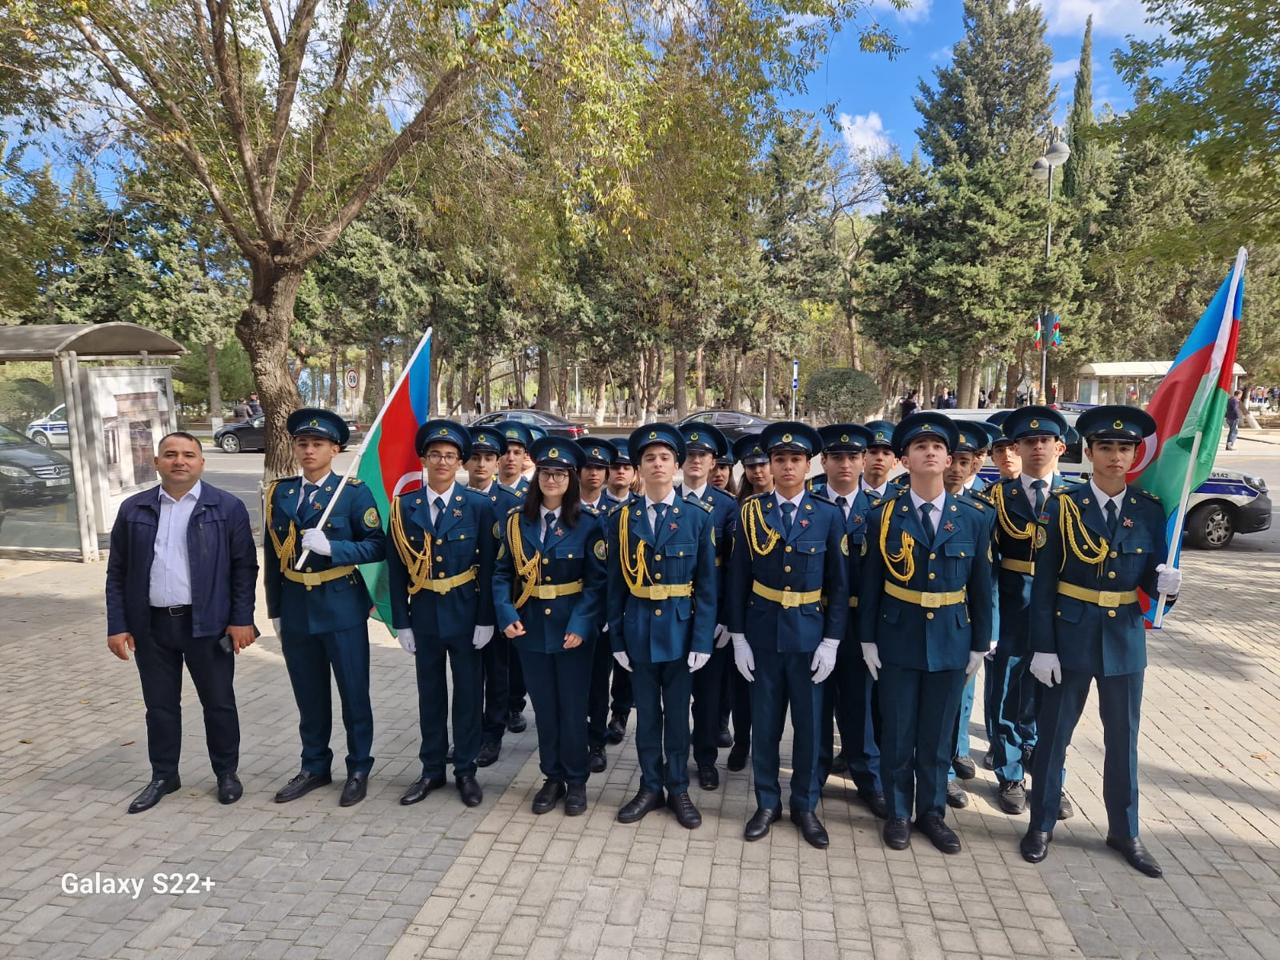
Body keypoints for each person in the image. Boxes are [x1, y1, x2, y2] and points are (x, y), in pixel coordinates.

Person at [1020, 405, 1180, 877]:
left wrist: (1168, 589)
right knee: (1053, 738)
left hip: (1125, 637)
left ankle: (1124, 831)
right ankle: (1041, 823)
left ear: (1135, 454)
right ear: (1088, 452)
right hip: (1069, 636)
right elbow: (1043, 582)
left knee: (1124, 740)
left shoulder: (1148, 510)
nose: (1115, 457)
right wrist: (1042, 646)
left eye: (1124, 448)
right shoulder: (1061, 505)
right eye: (1106, 447)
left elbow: (1152, 578)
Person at [859, 412, 993, 854]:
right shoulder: (884, 515)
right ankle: (899, 812)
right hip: (897, 636)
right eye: (920, 447)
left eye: (939, 447)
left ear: (950, 458)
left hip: (952, 639)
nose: (931, 452)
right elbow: (871, 581)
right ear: (904, 459)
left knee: (937, 737)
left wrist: (980, 642)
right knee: (897, 732)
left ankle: (932, 813)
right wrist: (867, 639)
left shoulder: (972, 518)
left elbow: (980, 584)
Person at [106, 431, 258, 814]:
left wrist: (242, 619)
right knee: (159, 707)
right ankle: (164, 776)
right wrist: (118, 624)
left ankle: (226, 773)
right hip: (151, 626)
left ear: (201, 463)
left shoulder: (226, 507)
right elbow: (117, 572)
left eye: (188, 454)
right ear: (156, 462)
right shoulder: (134, 509)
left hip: (208, 624)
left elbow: (244, 569)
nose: (179, 461)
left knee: (219, 703)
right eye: (170, 454)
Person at [726, 421, 848, 849]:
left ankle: (805, 805)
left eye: (796, 459)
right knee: (765, 725)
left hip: (810, 637)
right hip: (762, 633)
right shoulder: (751, 512)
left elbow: (839, 583)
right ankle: (766, 802)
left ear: (808, 464)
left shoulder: (828, 514)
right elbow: (738, 578)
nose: (788, 466)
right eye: (781, 459)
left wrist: (833, 640)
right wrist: (738, 636)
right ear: (771, 466)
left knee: (811, 727)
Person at [266, 409, 386, 807]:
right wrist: (275, 610)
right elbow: (272, 556)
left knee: (354, 692)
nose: (309, 450)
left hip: (341, 605)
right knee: (309, 694)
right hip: (298, 605)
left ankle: (358, 767)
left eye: (318, 444)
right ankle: (314, 765)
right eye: (302, 443)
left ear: (335, 449)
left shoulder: (352, 493)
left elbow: (376, 545)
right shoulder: (279, 493)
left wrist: (334, 548)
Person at [607, 423, 717, 829]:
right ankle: (650, 785)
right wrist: (616, 637)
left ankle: (678, 788)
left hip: (681, 632)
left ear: (677, 465)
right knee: (647, 718)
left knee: (677, 716)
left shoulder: (696, 518)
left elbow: (707, 586)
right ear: (638, 468)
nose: (657, 464)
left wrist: (702, 638)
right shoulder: (623, 519)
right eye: (649, 458)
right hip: (637, 632)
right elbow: (615, 586)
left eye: (664, 458)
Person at [493, 439, 607, 816]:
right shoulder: (515, 521)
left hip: (571, 630)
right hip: (529, 630)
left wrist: (581, 624)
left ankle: (576, 781)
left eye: (560, 474)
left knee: (573, 708)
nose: (552, 479)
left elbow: (596, 583)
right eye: (546, 473)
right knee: (544, 708)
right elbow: (501, 574)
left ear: (570, 479)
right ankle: (552, 777)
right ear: (536, 476)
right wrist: (506, 614)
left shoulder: (589, 524)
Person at [387, 420, 497, 809]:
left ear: (460, 463)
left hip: (466, 612)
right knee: (430, 695)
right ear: (424, 459)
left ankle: (465, 770)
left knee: (468, 695)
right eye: (436, 455)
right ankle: (431, 768)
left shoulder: (480, 506)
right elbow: (397, 567)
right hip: (426, 614)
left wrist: (487, 618)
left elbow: (490, 567)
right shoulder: (404, 506)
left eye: (450, 456)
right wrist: (401, 621)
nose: (443, 462)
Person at [985, 406, 1075, 818]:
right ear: (1017, 448)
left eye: (1045, 441)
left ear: (1060, 446)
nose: (1037, 447)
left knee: (1053, 695)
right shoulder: (997, 497)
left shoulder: (1076, 498)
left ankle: (1050, 775)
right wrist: (988, 621)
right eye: (1028, 441)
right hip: (1013, 604)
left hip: (1059, 608)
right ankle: (1010, 772)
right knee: (1006, 688)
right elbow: (985, 565)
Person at [813, 423, 887, 820]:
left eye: (853, 456)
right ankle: (814, 773)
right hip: (814, 617)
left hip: (861, 622)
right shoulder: (808, 505)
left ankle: (867, 777)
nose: (845, 464)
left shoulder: (879, 513)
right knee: (815, 703)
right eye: (836, 457)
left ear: (863, 461)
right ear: (823, 461)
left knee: (860, 705)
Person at [940, 421, 997, 811]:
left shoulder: (984, 510)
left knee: (962, 695)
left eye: (965, 460)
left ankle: (955, 753)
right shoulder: (899, 504)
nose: (956, 469)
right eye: (951, 460)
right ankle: (937, 768)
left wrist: (987, 628)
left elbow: (987, 576)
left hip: (964, 620)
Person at [677, 422, 737, 790]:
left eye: (704, 455)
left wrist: (727, 618)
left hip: (711, 612)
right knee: (675, 690)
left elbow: (733, 569)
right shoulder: (666, 497)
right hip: (673, 608)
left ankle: (705, 758)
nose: (696, 460)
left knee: (710, 694)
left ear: (715, 462)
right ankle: (674, 756)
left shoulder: (726, 507)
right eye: (691, 454)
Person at [466, 425, 523, 767]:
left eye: (488, 458)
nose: (481, 465)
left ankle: (493, 734)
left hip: (499, 601)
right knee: (467, 674)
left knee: (498, 672)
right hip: (462, 601)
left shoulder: (512, 505)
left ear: (498, 461)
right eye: (474, 458)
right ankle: (468, 732)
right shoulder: (455, 498)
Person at [726, 432, 772, 772]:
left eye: (762, 464)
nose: (758, 472)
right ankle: (741, 742)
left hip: (780, 610)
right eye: (751, 466)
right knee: (742, 686)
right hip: (746, 607)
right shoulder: (738, 507)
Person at [578, 439, 619, 772]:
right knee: (569, 683)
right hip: (564, 611)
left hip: (602, 616)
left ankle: (596, 742)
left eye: (600, 468)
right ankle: (573, 737)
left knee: (597, 683)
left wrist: (609, 613)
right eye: (588, 467)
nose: (594, 473)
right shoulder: (560, 507)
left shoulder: (617, 513)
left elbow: (619, 569)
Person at [493, 420, 534, 731]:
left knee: (517, 652)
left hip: (522, 586)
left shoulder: (532, 496)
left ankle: (515, 705)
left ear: (525, 459)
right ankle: (493, 706)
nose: (509, 458)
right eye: (505, 452)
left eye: (516, 452)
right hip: (488, 586)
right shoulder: (482, 493)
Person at [602, 438, 636, 745]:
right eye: (616, 467)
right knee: (598, 667)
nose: (621, 472)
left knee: (624, 666)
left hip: (628, 600)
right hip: (596, 600)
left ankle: (620, 713)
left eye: (627, 467)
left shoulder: (638, 509)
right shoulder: (595, 506)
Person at [861, 421, 898, 500]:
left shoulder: (901, 497)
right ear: (862, 458)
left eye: (886, 453)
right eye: (873, 452)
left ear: (895, 462)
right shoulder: (847, 491)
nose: (879, 457)